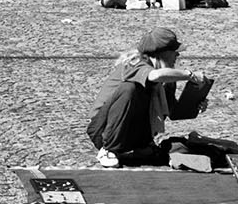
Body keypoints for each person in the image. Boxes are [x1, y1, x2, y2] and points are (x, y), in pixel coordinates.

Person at [86, 26, 206, 167]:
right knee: (129, 88)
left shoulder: (167, 78)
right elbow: (154, 75)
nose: (177, 56)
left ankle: (141, 145)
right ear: (162, 53)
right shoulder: (134, 64)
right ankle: (108, 149)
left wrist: (194, 103)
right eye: (174, 52)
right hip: (104, 131)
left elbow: (172, 113)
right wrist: (189, 75)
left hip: (134, 134)